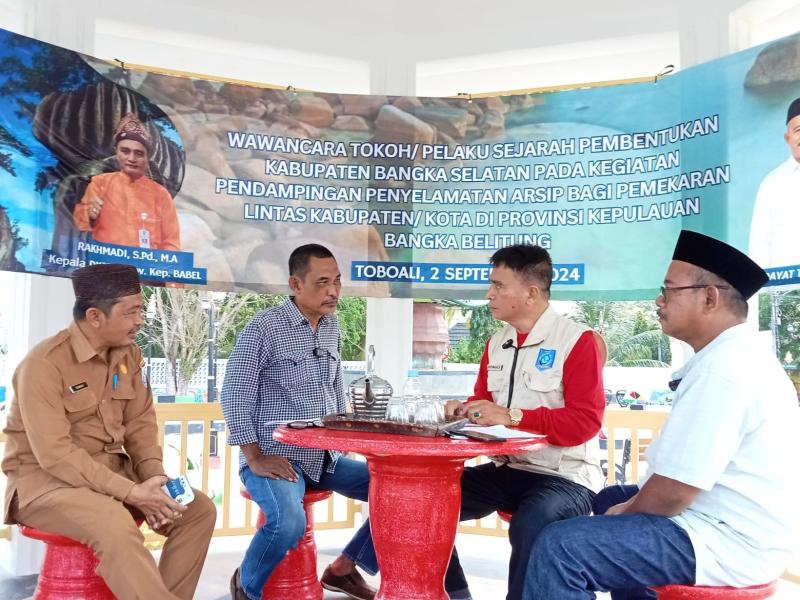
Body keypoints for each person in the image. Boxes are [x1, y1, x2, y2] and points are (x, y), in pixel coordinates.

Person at [523, 230, 800, 600]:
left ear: (709, 297)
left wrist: (625, 516)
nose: (658, 300)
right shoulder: (734, 357)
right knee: (609, 498)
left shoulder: (725, 370)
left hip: (725, 540)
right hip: (731, 526)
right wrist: (622, 508)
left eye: (668, 290)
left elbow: (673, 492)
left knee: (561, 546)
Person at [1, 263, 216, 600]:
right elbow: (54, 456)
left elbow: (141, 426)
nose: (140, 320)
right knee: (113, 523)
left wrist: (154, 480)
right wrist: (132, 494)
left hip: (112, 478)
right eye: (131, 312)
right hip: (45, 484)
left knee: (197, 509)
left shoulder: (129, 357)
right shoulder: (43, 365)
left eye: (140, 309)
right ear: (95, 316)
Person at [441, 244, 606, 600]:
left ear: (531, 292)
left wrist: (512, 417)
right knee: (427, 500)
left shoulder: (578, 341)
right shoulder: (496, 343)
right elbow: (486, 408)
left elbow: (585, 422)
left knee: (533, 523)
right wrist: (465, 412)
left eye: (499, 285)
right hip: (507, 470)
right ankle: (456, 595)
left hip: (565, 477)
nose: (489, 294)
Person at [221, 243, 376, 600]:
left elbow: (334, 388)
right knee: (290, 522)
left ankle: (345, 568)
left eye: (337, 281)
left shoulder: (331, 326)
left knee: (398, 492)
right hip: (276, 456)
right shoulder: (263, 328)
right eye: (322, 282)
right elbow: (234, 394)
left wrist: (347, 433)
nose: (334, 291)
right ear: (295, 283)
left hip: (324, 458)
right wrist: (255, 457)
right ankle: (247, 584)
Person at [73, 112, 181, 251]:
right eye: (125, 151)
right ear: (116, 152)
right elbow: (81, 223)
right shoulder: (100, 183)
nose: (132, 158)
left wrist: (159, 269)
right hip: (106, 265)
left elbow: (171, 243)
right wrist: (91, 214)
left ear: (147, 158)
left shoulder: (160, 195)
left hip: (146, 268)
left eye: (139, 153)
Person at [748, 97, 800, 269]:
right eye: (798, 130)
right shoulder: (772, 184)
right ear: (787, 138)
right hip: (788, 292)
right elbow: (759, 248)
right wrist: (758, 295)